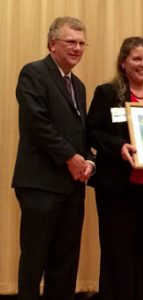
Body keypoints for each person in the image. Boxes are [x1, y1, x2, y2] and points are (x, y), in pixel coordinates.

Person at [86, 37, 143, 300]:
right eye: (137, 59)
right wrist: (119, 146)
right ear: (123, 62)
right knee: (118, 254)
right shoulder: (107, 93)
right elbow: (91, 132)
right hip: (118, 189)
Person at [12, 16, 94, 300]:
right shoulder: (33, 73)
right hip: (40, 185)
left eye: (82, 43)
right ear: (52, 45)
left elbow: (79, 133)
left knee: (65, 262)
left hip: (72, 187)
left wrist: (88, 160)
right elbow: (37, 122)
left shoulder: (79, 85)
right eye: (70, 41)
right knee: (35, 260)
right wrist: (70, 157)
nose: (77, 48)